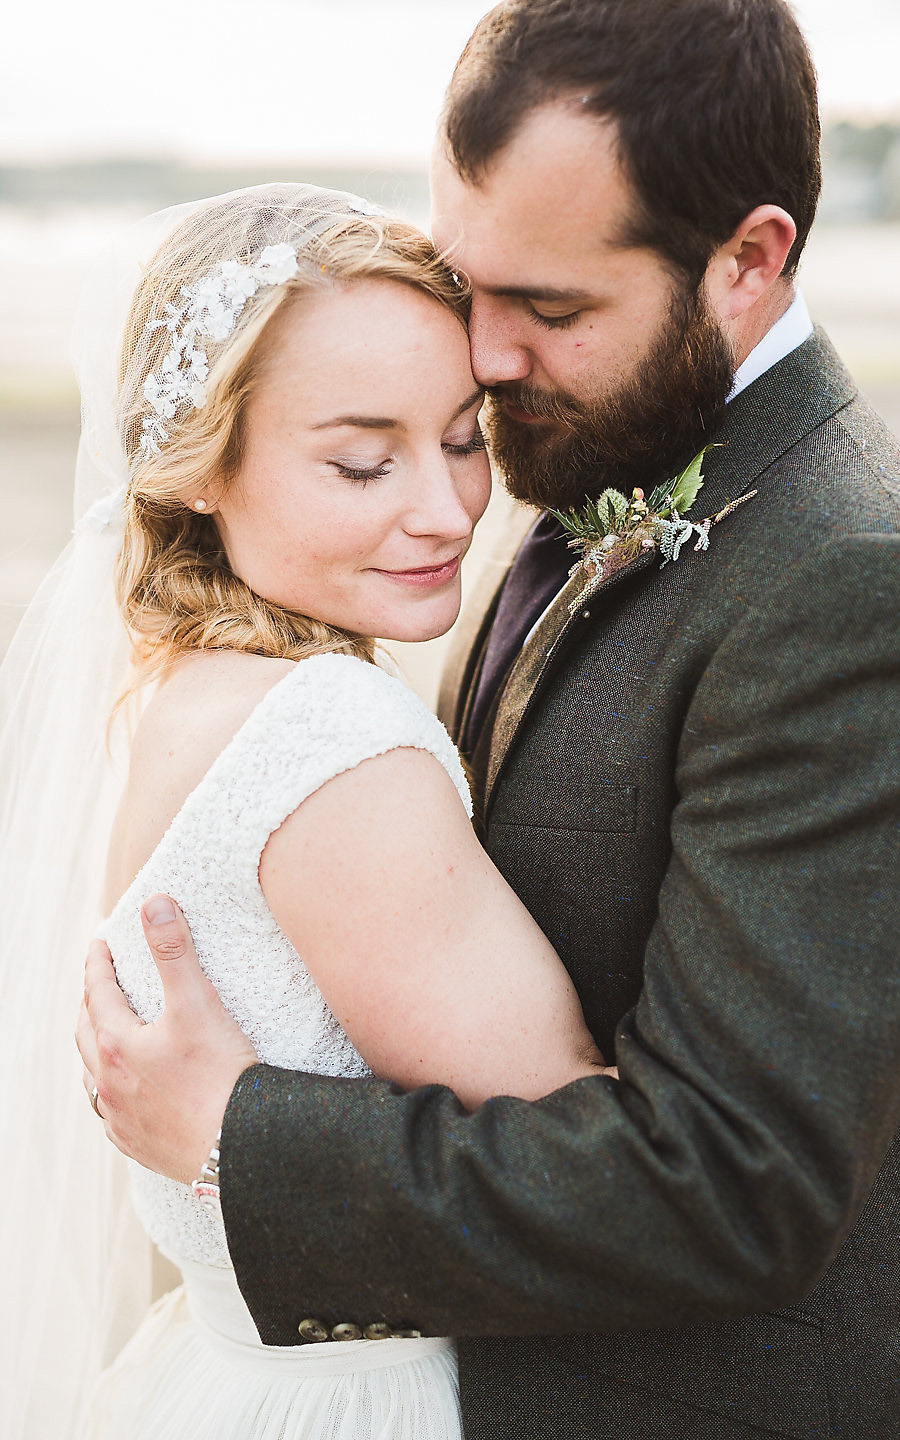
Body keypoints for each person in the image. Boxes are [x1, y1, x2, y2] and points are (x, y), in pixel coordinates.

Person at [79, 1, 900, 1435]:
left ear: (749, 262)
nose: (482, 359)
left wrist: (242, 1143)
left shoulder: (851, 579)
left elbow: (734, 1190)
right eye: (469, 284)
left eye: (548, 308)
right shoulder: (579, 448)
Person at [0, 182, 620, 1439]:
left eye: (461, 436)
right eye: (359, 459)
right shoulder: (329, 736)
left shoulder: (171, 681)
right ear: (198, 473)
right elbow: (592, 1173)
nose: (448, 510)